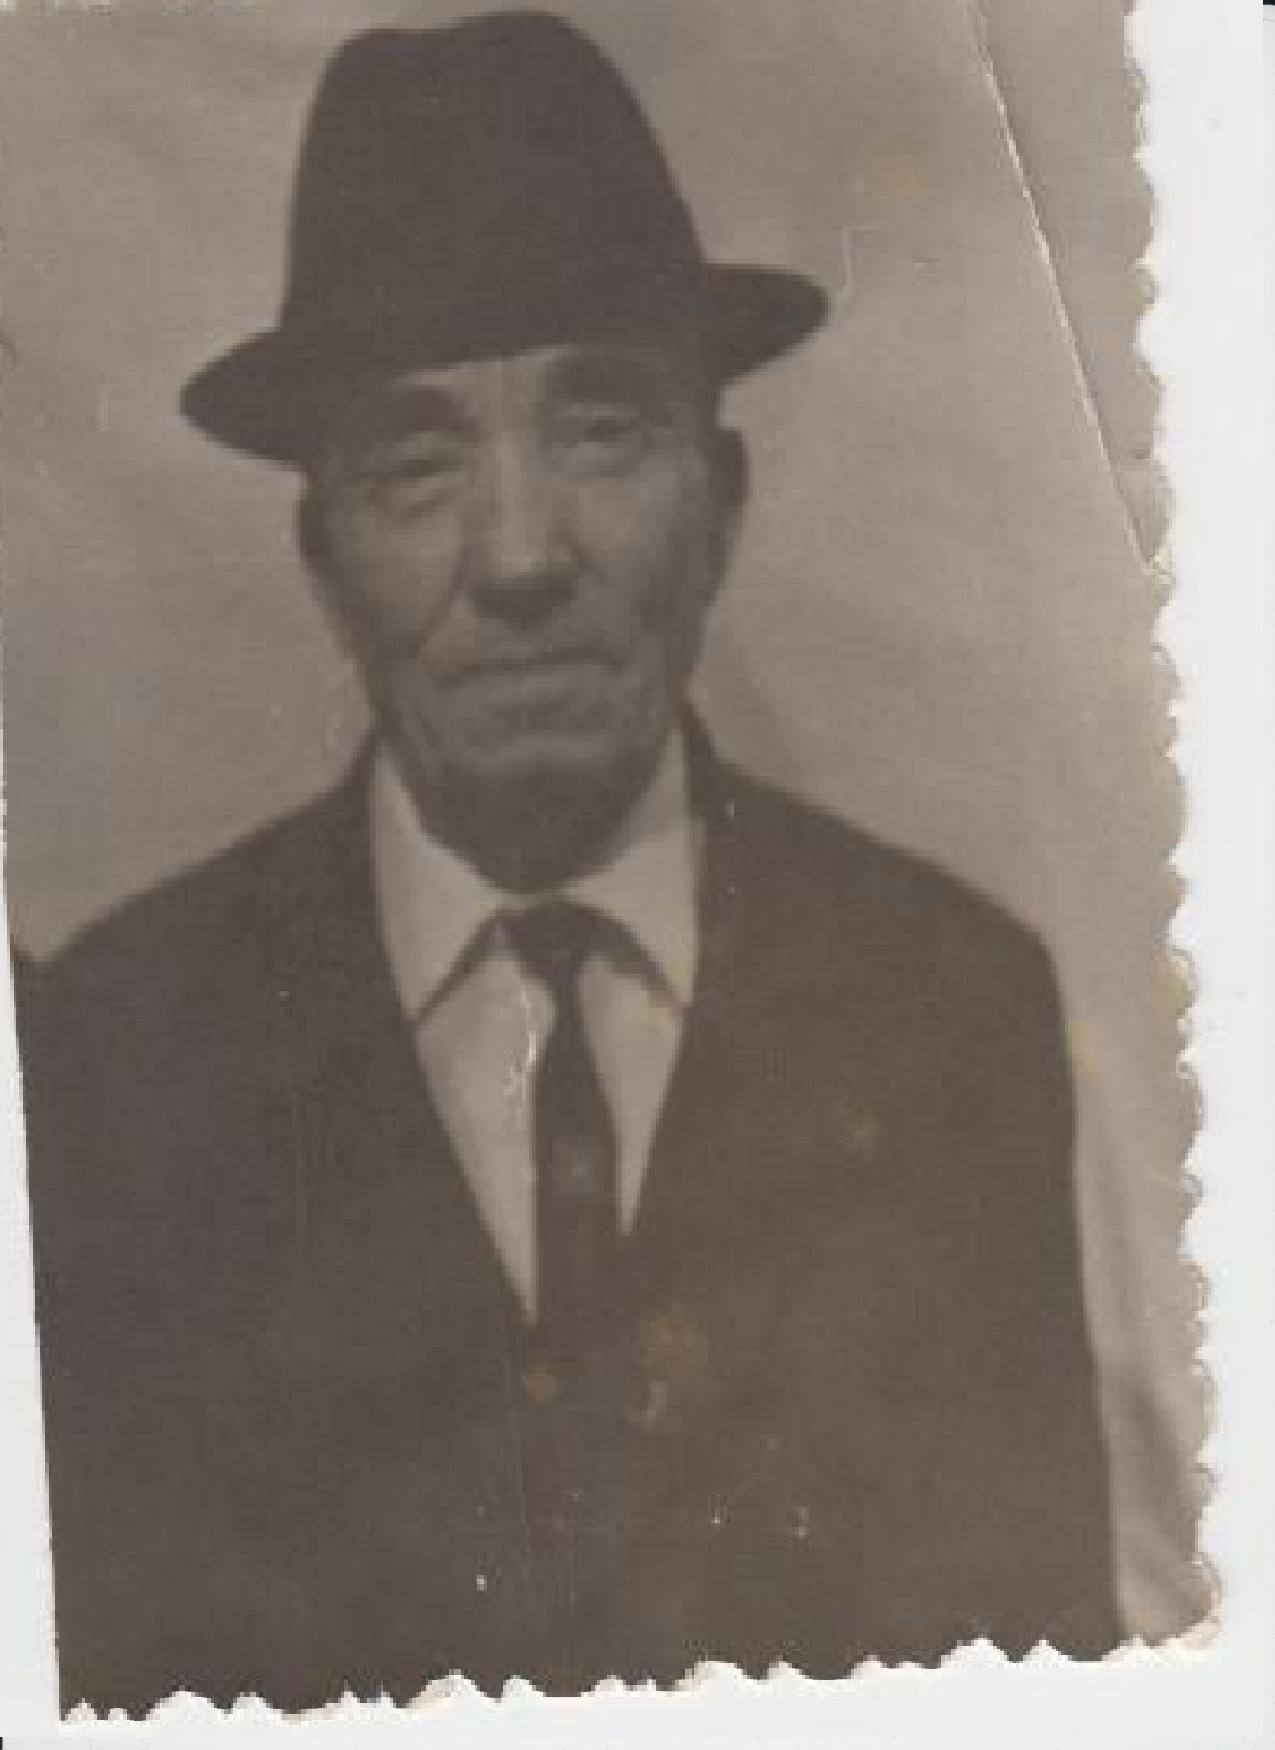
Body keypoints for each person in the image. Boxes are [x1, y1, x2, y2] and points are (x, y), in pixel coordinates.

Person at [23, 9, 1120, 1714]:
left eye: (603, 431)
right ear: (324, 562)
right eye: (416, 465)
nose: (523, 555)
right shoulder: (109, 1061)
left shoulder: (946, 1008)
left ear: (723, 500)